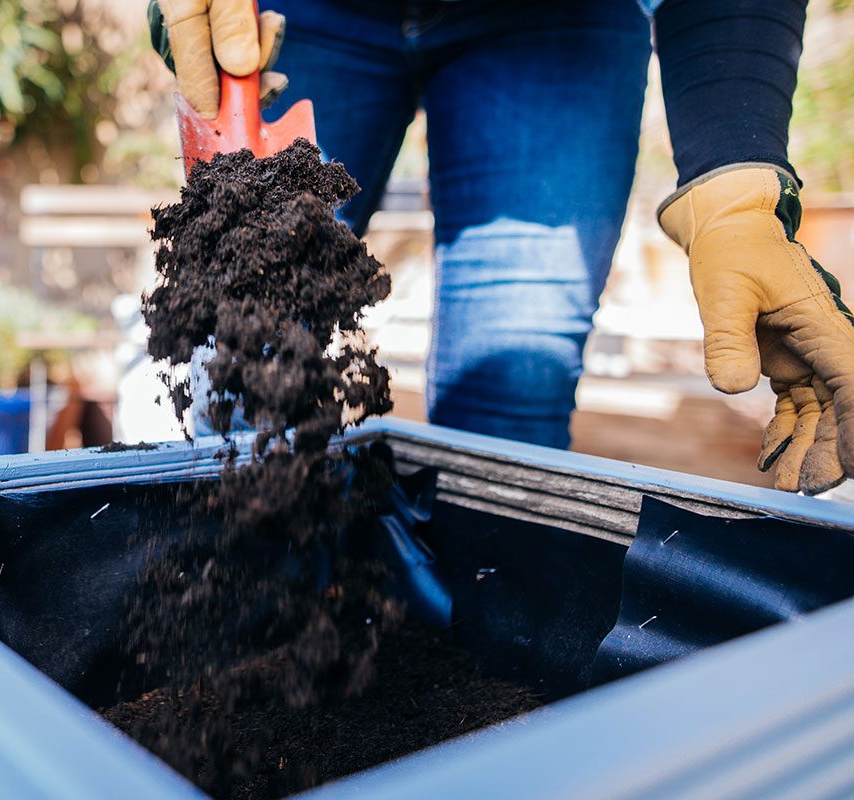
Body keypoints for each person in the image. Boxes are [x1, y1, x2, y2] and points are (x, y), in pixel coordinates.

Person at [149, 0, 854, 496]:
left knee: (510, 400)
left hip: (549, 27)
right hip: (308, 13)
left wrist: (734, 183)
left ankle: (479, 644)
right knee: (249, 364)